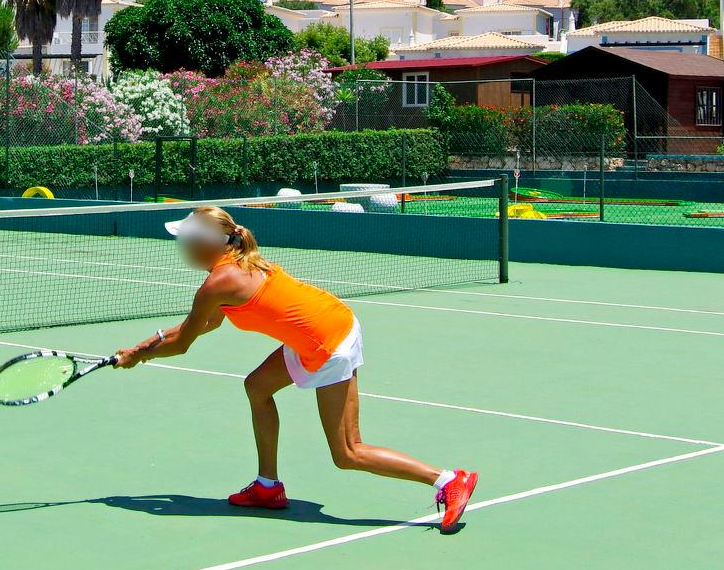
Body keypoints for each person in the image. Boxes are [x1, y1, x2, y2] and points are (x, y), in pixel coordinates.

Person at [114, 204, 478, 529]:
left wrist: (140, 355)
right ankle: (267, 487)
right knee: (257, 386)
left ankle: (447, 480)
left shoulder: (218, 282)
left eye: (187, 241)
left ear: (206, 244)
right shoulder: (241, 261)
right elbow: (209, 323)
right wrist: (144, 345)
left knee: (348, 452)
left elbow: (183, 344)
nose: (183, 248)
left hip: (328, 343)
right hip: (329, 322)